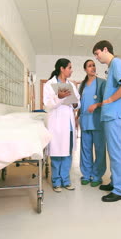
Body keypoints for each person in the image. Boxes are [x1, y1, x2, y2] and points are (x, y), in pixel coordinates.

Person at [92, 40, 121, 202]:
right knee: (113, 152)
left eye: (97, 53)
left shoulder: (116, 62)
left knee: (116, 153)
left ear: (105, 49)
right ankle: (115, 182)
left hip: (115, 116)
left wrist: (110, 100)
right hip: (110, 117)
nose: (96, 58)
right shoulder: (111, 68)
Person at [43, 58, 80, 193]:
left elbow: (77, 102)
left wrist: (76, 103)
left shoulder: (71, 84)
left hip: (68, 124)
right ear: (62, 69)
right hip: (56, 124)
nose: (71, 70)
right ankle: (56, 181)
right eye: (69, 68)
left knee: (67, 153)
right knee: (56, 153)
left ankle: (66, 180)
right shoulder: (49, 84)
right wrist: (58, 96)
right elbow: (47, 105)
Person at [77, 59, 107, 187]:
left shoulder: (102, 83)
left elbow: (107, 101)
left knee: (100, 150)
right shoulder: (82, 86)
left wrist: (97, 104)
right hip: (85, 121)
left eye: (94, 65)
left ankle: (97, 175)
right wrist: (77, 118)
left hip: (97, 121)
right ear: (85, 69)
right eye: (89, 66)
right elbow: (79, 104)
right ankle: (86, 174)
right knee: (85, 150)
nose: (93, 67)